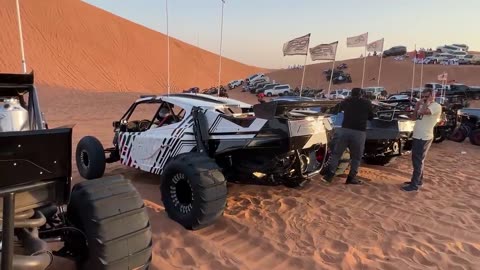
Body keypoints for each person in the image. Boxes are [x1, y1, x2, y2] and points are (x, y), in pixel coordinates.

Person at [323, 88, 374, 185]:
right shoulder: (367, 103)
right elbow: (371, 117)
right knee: (356, 157)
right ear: (362, 94)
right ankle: (351, 178)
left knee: (336, 154)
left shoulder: (346, 101)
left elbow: (335, 110)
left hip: (344, 130)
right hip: (359, 132)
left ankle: (329, 176)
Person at [402, 88, 442, 192]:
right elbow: (414, 118)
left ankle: (414, 185)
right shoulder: (422, 105)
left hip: (424, 137)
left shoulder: (436, 106)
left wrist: (425, 103)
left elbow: (424, 112)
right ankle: (418, 180)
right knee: (417, 159)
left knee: (418, 161)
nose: (424, 99)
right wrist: (416, 106)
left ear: (433, 96)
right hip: (417, 135)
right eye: (422, 96)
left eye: (426, 96)